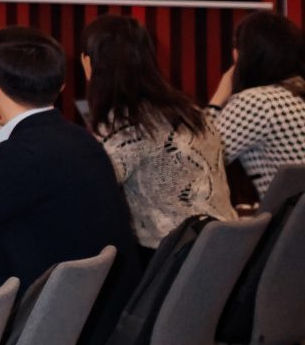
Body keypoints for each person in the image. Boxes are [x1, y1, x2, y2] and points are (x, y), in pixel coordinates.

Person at [0, 27, 142, 345]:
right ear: (60, 85)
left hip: (44, 340)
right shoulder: (80, 140)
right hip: (96, 324)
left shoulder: (21, 153)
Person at [82, 14, 232, 247]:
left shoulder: (123, 124)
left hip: (171, 254)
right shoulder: (190, 112)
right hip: (225, 246)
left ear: (89, 63)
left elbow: (90, 190)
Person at [209, 10, 305, 203]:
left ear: (244, 56)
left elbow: (198, 158)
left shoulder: (258, 102)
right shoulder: (296, 93)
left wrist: (218, 99)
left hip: (291, 219)